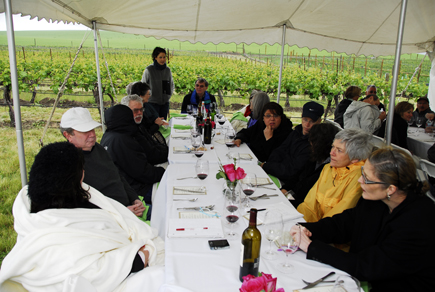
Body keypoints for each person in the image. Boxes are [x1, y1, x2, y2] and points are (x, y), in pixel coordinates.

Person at [0, 142, 165, 291]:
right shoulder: (53, 237)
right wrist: (144, 254)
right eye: (81, 169)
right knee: (161, 276)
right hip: (108, 279)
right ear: (71, 179)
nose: (84, 173)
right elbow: (96, 274)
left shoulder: (57, 194)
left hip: (121, 253)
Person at [291, 147, 435, 292]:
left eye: (366, 178)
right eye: (362, 173)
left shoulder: (418, 223)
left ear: (390, 189)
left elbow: (368, 265)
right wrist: (306, 229)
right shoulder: (376, 200)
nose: (360, 180)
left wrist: (311, 247)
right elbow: (343, 224)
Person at [60, 107, 146, 218]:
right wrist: (122, 212)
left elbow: (118, 176)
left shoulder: (98, 149)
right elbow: (83, 207)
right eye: (85, 131)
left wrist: (135, 198)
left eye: (92, 129)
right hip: (110, 218)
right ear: (68, 135)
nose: (92, 134)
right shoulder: (69, 163)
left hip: (128, 207)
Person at [297, 128, 372, 222]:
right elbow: (309, 205)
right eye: (333, 147)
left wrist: (311, 229)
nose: (331, 153)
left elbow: (337, 217)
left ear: (355, 158)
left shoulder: (359, 179)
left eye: (339, 150)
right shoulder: (328, 168)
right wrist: (298, 222)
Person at [100, 104, 165, 204]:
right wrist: (164, 172)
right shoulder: (122, 140)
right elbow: (143, 172)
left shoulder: (109, 135)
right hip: (137, 191)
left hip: (127, 186)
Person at [262, 101, 324, 182]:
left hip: (290, 183)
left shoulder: (314, 143)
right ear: (301, 117)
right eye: (305, 119)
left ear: (319, 121)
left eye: (311, 121)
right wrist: (270, 166)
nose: (307, 125)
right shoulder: (296, 133)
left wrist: (268, 167)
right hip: (277, 174)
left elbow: (293, 170)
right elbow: (280, 151)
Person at [281, 123, 340, 208]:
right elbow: (297, 175)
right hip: (292, 197)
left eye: (312, 141)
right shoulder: (315, 157)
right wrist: (285, 189)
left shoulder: (329, 168)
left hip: (302, 206)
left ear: (319, 144)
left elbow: (310, 197)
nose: (310, 143)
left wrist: (290, 200)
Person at [121, 94, 168, 164]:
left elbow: (152, 144)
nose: (139, 113)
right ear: (125, 111)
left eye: (141, 109)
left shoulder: (139, 124)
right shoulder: (127, 130)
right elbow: (150, 155)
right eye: (135, 110)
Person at [141, 47, 174, 119]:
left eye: (164, 57)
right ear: (155, 57)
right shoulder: (149, 70)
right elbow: (143, 85)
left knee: (163, 125)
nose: (163, 59)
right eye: (160, 57)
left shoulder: (168, 70)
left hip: (164, 104)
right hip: (151, 103)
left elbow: (171, 85)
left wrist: (168, 97)